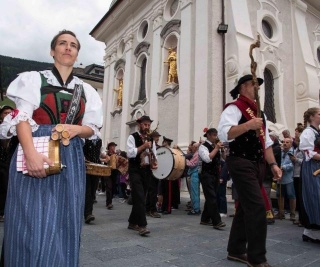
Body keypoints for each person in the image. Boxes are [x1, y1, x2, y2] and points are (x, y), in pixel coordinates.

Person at [0, 30, 103, 266]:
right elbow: (21, 120)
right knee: (31, 222)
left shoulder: (86, 90)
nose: (68, 47)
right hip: (35, 148)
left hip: (71, 155)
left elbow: (92, 128)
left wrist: (78, 130)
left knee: (64, 220)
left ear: (77, 54)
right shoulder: (34, 79)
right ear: (52, 50)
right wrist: (31, 154)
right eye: (62, 43)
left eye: (73, 45)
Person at [218, 74, 282, 267]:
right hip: (240, 161)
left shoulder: (261, 114)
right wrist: (247, 125)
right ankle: (257, 258)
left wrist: (273, 165)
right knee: (257, 206)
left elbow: (267, 143)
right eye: (254, 85)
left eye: (258, 86)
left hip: (257, 164)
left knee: (246, 208)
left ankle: (236, 250)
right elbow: (224, 133)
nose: (258, 89)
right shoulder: (234, 108)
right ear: (243, 87)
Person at [126, 115, 157, 236]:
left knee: (141, 197)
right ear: (139, 125)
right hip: (135, 170)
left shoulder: (151, 139)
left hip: (147, 171)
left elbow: (154, 154)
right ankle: (142, 225)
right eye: (145, 124)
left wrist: (155, 162)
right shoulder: (132, 137)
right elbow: (130, 153)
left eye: (148, 125)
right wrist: (143, 147)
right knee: (139, 196)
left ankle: (132, 222)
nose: (147, 127)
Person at [299, 107, 320, 243]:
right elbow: (308, 152)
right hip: (312, 167)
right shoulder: (307, 132)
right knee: (314, 196)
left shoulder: (316, 132)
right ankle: (312, 231)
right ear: (312, 117)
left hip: (317, 166)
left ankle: (311, 231)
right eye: (319, 114)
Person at [198, 128, 226, 229]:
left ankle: (205, 219)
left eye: (216, 135)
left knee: (211, 197)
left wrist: (222, 150)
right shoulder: (203, 147)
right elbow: (207, 158)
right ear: (208, 135)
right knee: (212, 198)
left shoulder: (216, 146)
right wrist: (216, 148)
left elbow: (224, 158)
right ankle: (217, 221)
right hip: (206, 175)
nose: (215, 137)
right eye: (214, 135)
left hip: (215, 175)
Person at [0, 105, 17, 223]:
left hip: (11, 162)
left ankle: (6, 211)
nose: (7, 115)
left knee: (8, 186)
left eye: (10, 113)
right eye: (5, 113)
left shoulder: (18, 129)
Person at [275, 138, 296, 221]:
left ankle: (292, 214)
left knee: (291, 195)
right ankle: (281, 212)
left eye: (287, 142)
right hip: (279, 177)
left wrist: (283, 167)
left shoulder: (292, 152)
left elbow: (293, 164)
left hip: (288, 177)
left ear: (291, 144)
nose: (285, 144)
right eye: (283, 142)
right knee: (279, 195)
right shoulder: (280, 151)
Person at [83, 138, 103, 224]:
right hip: (86, 167)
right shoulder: (84, 138)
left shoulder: (99, 140)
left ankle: (88, 212)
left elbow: (100, 152)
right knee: (87, 190)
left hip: (96, 167)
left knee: (93, 191)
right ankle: (88, 214)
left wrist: (105, 156)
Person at [146, 131, 161, 218]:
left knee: (152, 190)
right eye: (156, 137)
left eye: (158, 137)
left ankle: (148, 209)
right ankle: (152, 210)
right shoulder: (149, 145)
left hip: (154, 169)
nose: (158, 138)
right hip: (150, 170)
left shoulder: (156, 146)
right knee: (152, 190)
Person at [186, 142, 201, 215]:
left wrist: (186, 160)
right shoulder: (197, 153)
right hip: (195, 173)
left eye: (194, 146)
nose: (192, 147)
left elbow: (191, 164)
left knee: (194, 192)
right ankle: (196, 208)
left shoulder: (197, 154)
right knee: (196, 192)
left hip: (194, 174)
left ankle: (196, 209)